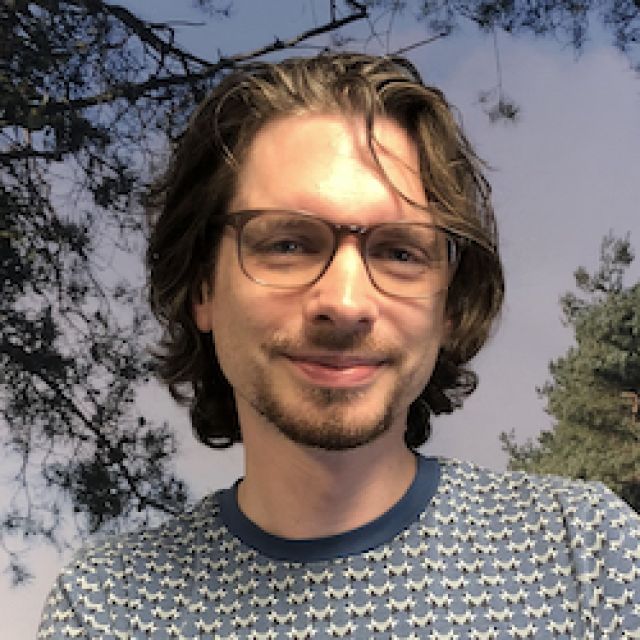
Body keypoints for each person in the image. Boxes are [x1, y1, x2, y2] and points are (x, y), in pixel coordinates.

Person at [38, 53, 639, 639]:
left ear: (449, 306)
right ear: (203, 288)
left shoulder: (588, 552)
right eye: (288, 244)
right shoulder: (106, 607)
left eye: (400, 252)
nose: (346, 302)